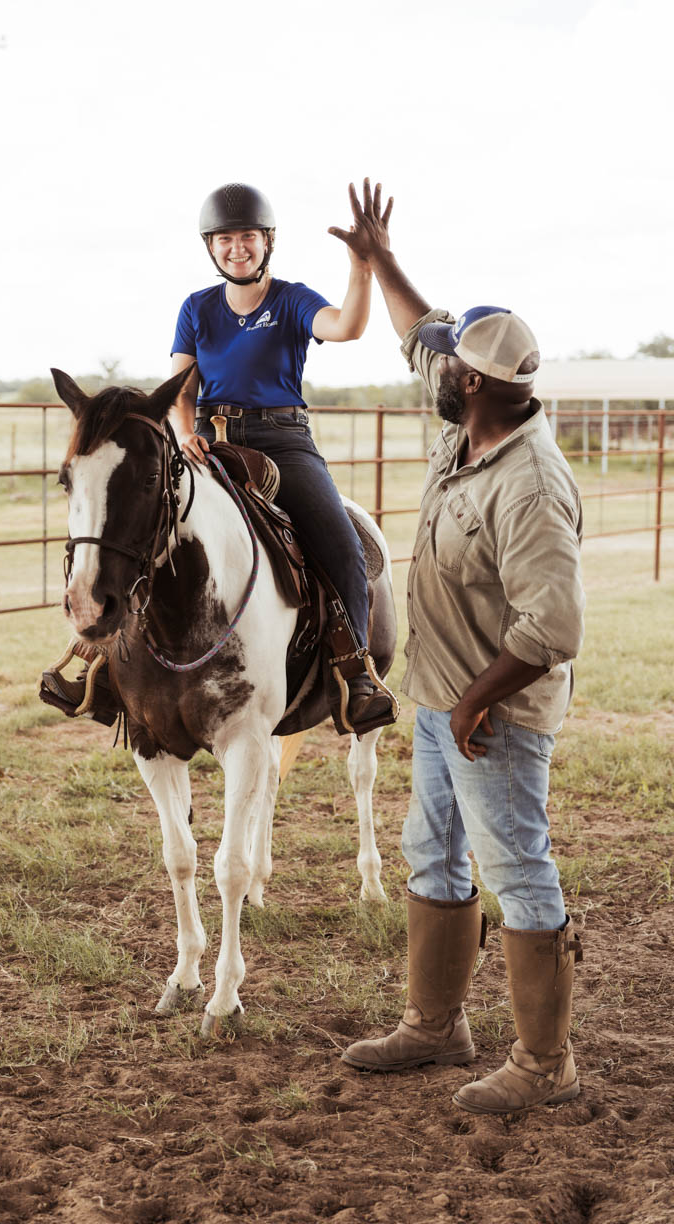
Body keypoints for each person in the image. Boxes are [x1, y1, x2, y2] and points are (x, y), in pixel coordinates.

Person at [335, 181, 586, 1115]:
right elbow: (422, 332)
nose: (430, 370)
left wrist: (477, 701)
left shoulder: (528, 486)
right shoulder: (474, 425)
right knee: (431, 853)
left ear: (474, 384)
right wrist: (380, 258)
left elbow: (551, 628)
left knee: (517, 864)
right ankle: (436, 1025)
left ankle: (545, 1063)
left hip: (493, 717)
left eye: (447, 368)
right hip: (443, 701)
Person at [168, 182, 396, 733]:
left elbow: (347, 327)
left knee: (339, 540)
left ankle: (355, 668)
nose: (236, 247)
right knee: (140, 520)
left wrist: (361, 268)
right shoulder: (196, 308)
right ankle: (102, 658)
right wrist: (182, 435)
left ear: (267, 241)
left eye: (247, 236)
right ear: (210, 246)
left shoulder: (292, 300)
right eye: (224, 238)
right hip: (209, 442)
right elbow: (180, 390)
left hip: (282, 442)